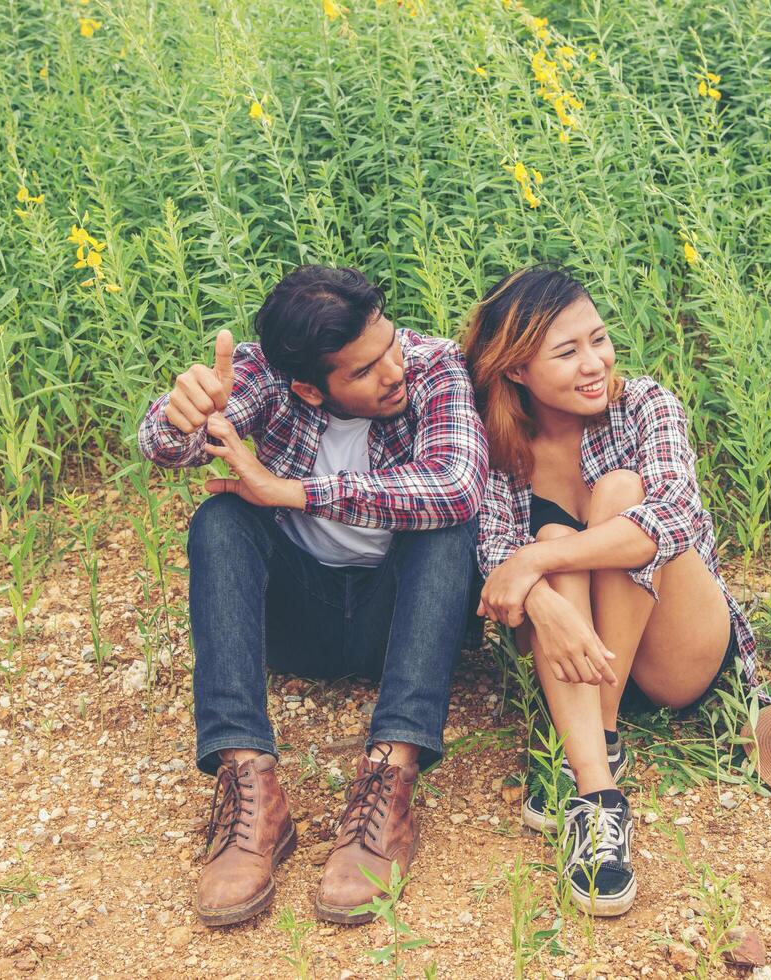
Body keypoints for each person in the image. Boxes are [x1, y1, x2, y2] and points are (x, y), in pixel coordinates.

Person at [137, 265, 487, 926]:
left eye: (388, 345)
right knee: (221, 520)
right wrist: (179, 416)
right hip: (300, 622)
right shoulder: (268, 378)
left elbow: (456, 482)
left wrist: (291, 491)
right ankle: (249, 787)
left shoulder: (434, 364)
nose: (392, 371)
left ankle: (389, 779)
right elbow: (171, 442)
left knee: (450, 524)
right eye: (362, 370)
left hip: (403, 623)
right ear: (309, 387)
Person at [462, 264, 758, 917]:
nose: (594, 362)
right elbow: (494, 566)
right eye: (566, 353)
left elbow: (674, 519)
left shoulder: (644, 404)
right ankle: (596, 794)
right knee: (548, 554)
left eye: (598, 339)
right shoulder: (494, 442)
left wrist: (536, 560)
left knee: (620, 498)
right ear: (515, 370)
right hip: (568, 651)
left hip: (673, 655)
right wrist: (539, 589)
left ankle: (593, 730)